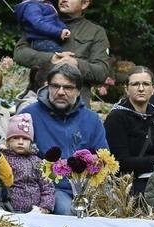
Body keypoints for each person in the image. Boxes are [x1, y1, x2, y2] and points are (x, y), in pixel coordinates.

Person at [22, 63, 108, 215]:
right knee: (69, 212)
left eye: (68, 87)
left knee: (114, 213)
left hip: (88, 188)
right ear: (47, 86)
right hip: (50, 190)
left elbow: (104, 158)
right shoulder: (29, 115)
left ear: (78, 91)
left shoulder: (92, 119)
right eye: (55, 86)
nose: (61, 92)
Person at [13, 0, 110, 106]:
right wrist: (51, 59)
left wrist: (76, 64)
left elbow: (102, 72)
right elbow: (19, 53)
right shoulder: (42, 21)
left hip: (77, 107)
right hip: (40, 103)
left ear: (84, 4)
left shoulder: (95, 31)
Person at [104, 66, 154, 194]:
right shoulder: (116, 118)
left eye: (146, 84)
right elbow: (120, 163)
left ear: (153, 89)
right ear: (126, 89)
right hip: (129, 184)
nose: (141, 89)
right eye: (135, 84)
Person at [2, 113, 55, 213]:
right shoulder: (4, 159)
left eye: (25, 138)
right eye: (16, 138)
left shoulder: (37, 161)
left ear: (31, 142)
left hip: (36, 211)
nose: (21, 142)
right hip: (11, 210)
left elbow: (47, 186)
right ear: (8, 141)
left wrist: (45, 207)